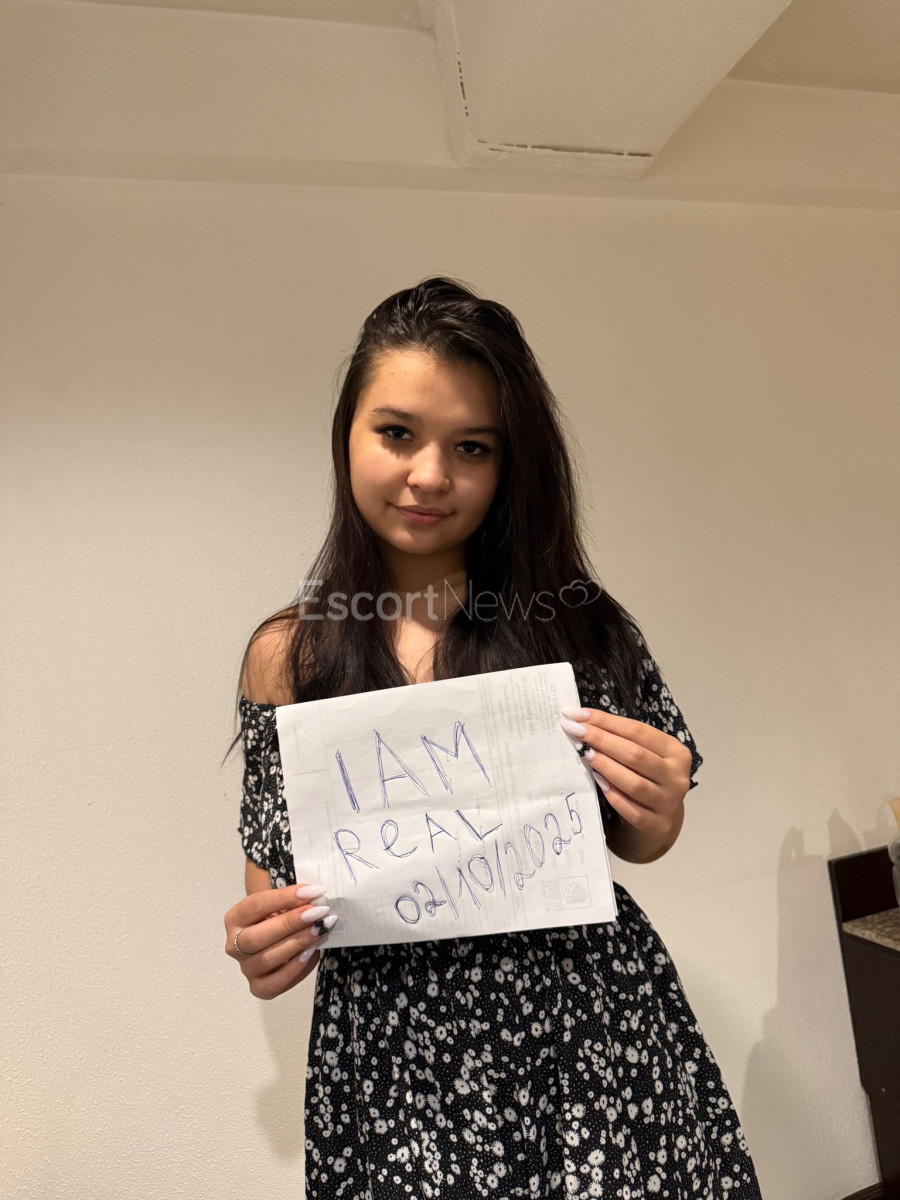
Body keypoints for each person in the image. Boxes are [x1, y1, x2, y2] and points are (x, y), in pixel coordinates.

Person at [223, 277, 763, 1198]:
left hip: (590, 1034)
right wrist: (264, 944)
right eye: (397, 433)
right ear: (347, 435)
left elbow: (640, 839)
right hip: (395, 1064)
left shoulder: (576, 622)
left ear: (510, 465)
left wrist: (660, 804)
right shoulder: (292, 655)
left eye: (470, 447)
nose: (430, 474)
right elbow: (275, 888)